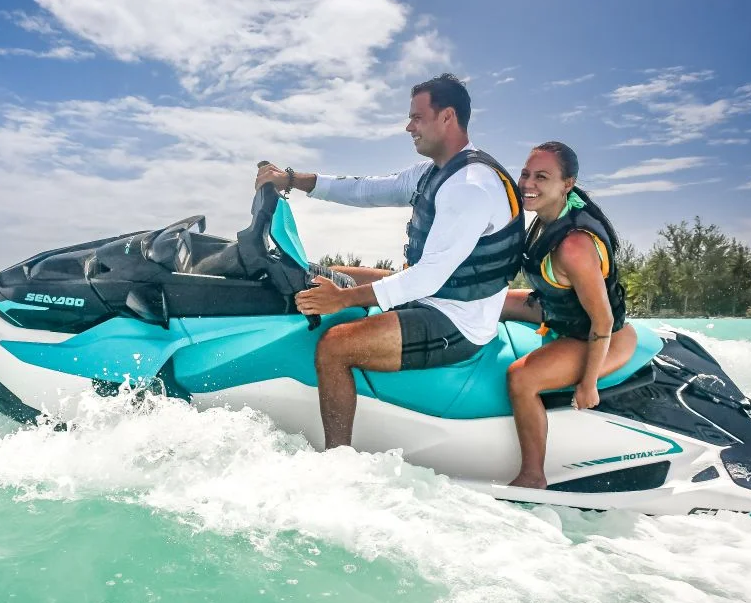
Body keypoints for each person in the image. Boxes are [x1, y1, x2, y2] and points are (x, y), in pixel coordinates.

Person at [255, 73, 524, 450]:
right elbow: (366, 189)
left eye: (417, 117)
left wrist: (343, 300)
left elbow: (427, 278)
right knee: (335, 273)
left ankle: (336, 460)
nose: (409, 127)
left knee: (334, 346)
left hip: (458, 320)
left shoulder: (470, 186)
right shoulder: (434, 171)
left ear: (447, 117)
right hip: (436, 295)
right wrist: (292, 179)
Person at [501, 141, 636, 489]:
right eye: (526, 174)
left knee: (521, 378)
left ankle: (533, 476)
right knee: (491, 303)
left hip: (599, 335)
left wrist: (588, 384)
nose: (528, 183)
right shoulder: (545, 219)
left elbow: (602, 320)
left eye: (542, 177)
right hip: (556, 311)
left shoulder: (574, 245)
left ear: (567, 184)